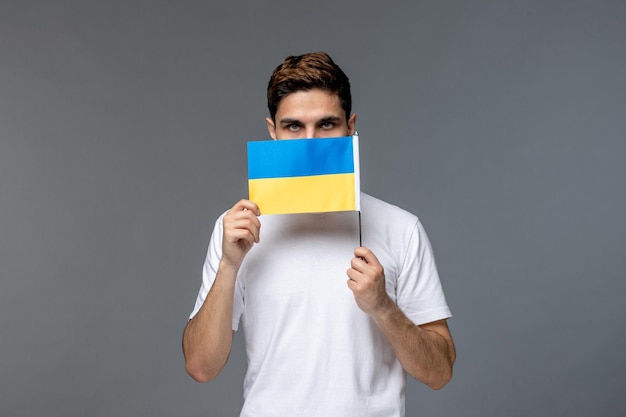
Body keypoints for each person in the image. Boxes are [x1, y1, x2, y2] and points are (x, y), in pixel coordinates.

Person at [183, 52, 455, 417]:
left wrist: (382, 307)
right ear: (272, 132)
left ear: (350, 127)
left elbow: (439, 373)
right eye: (294, 126)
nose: (310, 142)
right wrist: (229, 266)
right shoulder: (237, 230)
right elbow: (201, 366)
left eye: (326, 125)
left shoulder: (401, 229)